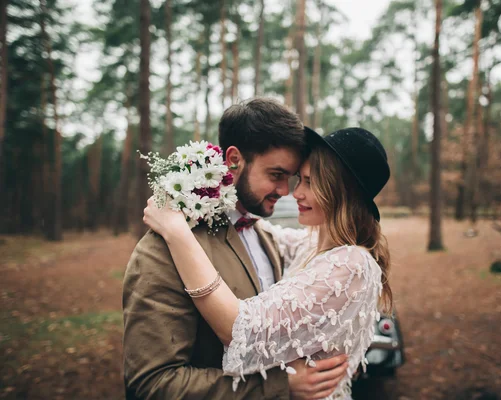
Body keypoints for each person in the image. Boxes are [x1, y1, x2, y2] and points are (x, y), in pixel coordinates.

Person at [143, 127, 394, 399]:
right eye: (300, 179)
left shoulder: (351, 263)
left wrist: (176, 232)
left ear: (340, 192)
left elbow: (240, 329)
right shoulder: (310, 245)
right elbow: (253, 227)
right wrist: (215, 181)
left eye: (310, 182)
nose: (295, 192)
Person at [123, 98, 348, 400]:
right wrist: (279, 387)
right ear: (233, 160)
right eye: (276, 175)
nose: (285, 192)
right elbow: (151, 385)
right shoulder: (165, 248)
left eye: (290, 178)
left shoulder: (265, 237)